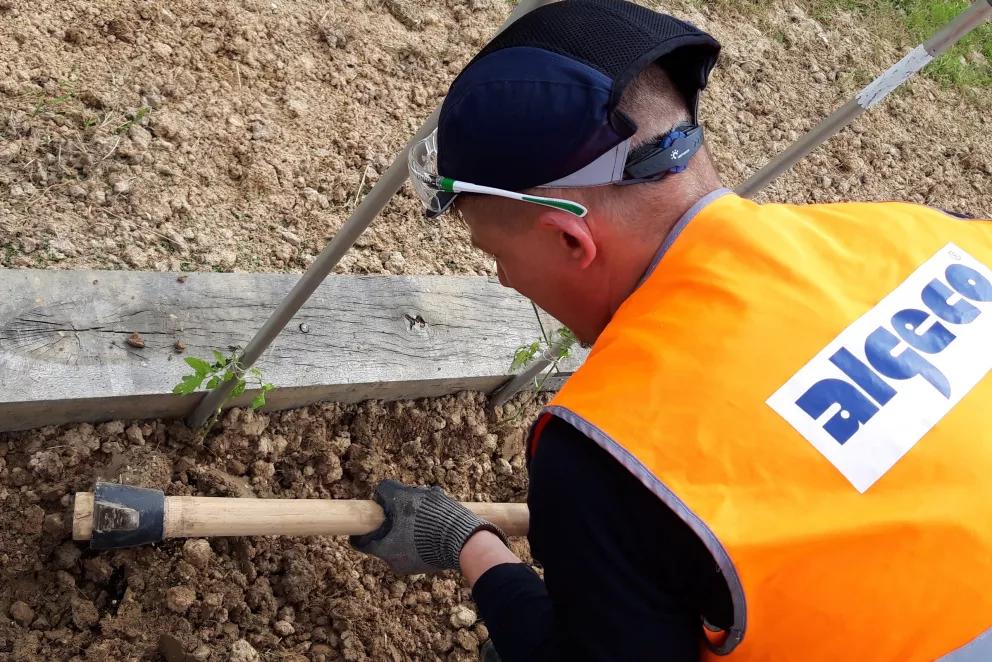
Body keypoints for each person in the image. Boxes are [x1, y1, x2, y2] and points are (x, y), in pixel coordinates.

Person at [352, 1, 992, 660]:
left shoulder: (608, 452)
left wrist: (468, 544)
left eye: (497, 256)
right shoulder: (935, 234)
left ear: (571, 240)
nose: (506, 280)